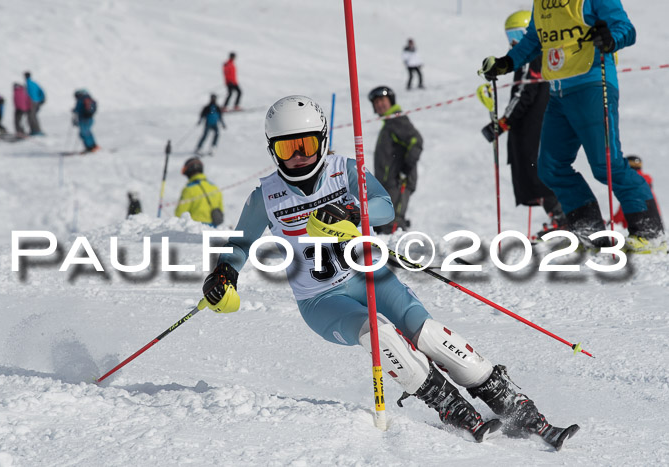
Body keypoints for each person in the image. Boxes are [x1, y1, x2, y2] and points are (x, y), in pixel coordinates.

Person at [201, 95, 579, 449]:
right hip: (321, 300)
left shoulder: (343, 170)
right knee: (379, 334)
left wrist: (353, 211)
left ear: (321, 140)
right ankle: (449, 404)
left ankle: (516, 406)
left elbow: (384, 207)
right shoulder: (265, 196)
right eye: (287, 148)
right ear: (273, 150)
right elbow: (238, 244)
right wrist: (223, 274)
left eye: (306, 145)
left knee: (430, 335)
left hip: (371, 277)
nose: (298, 156)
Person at [479, 0, 664, 253]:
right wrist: (506, 63)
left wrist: (610, 39)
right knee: (550, 168)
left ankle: (649, 232)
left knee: (606, 165)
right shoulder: (542, 3)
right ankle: (589, 232)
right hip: (558, 93)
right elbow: (534, 39)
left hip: (592, 86)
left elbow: (626, 28)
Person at [480, 10, 566, 235]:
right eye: (510, 36)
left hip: (530, 127)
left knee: (533, 172)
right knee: (538, 170)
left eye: (517, 34)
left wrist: (503, 123)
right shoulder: (548, 56)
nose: (513, 41)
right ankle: (561, 216)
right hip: (542, 123)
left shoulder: (528, 58)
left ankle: (562, 217)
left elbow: (522, 94)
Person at [368, 86, 423, 234]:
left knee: (392, 223)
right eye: (376, 102)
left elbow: (416, 141)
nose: (379, 105)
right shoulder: (390, 123)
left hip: (398, 182)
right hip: (388, 183)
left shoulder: (396, 120)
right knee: (382, 222)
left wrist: (406, 168)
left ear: (390, 101)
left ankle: (398, 254)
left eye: (382, 101)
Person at [612, 156, 661, 235]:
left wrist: (613, 221)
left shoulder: (631, 182)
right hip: (654, 223)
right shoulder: (645, 182)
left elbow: (627, 205)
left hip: (636, 226)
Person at [175, 158, 224, 227]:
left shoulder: (189, 189)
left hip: (194, 228)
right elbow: (220, 210)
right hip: (213, 230)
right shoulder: (214, 187)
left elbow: (180, 214)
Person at [72, 89, 99, 153]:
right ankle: (93, 146)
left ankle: (89, 147)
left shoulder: (81, 100)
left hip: (84, 119)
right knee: (87, 132)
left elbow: (78, 109)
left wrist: (74, 110)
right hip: (89, 118)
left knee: (84, 133)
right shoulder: (88, 99)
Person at [24, 71, 46, 135]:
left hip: (32, 102)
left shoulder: (27, 84)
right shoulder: (34, 83)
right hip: (36, 102)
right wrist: (41, 99)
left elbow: (26, 95)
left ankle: (36, 131)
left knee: (31, 116)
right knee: (32, 116)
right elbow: (41, 91)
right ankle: (35, 130)